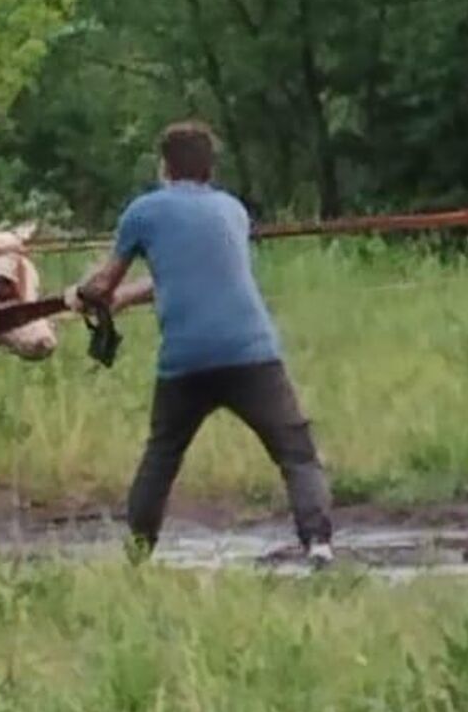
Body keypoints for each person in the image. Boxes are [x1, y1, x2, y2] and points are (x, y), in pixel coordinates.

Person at [71, 120, 334, 566]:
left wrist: (82, 295)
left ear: (164, 166)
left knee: (162, 455)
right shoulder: (232, 210)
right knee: (296, 452)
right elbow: (192, 274)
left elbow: (101, 287)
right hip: (251, 351)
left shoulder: (143, 211)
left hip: (186, 361)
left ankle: (138, 553)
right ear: (210, 168)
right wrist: (122, 298)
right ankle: (320, 545)